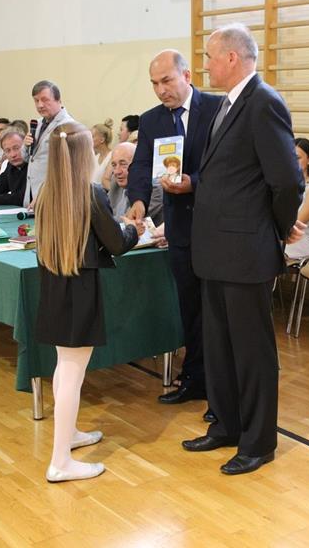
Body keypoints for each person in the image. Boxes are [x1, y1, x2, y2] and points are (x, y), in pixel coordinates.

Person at [182, 23, 305, 475]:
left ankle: (258, 442)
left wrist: (279, 227)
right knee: (219, 347)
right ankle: (227, 425)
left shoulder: (263, 102)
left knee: (252, 352)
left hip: (245, 251)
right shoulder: (227, 103)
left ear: (232, 57)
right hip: (215, 249)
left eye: (210, 56)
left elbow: (286, 180)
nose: (205, 65)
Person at [34, 122, 140, 483]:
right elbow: (116, 243)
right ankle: (60, 461)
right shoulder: (90, 193)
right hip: (79, 290)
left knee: (65, 366)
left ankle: (69, 435)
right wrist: (134, 230)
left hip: (54, 285)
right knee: (72, 371)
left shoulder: (47, 191)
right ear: (84, 155)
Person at [127, 49, 221, 406]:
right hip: (179, 228)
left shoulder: (217, 109)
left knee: (216, 312)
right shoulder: (151, 120)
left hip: (215, 226)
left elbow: (225, 167)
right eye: (154, 83)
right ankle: (195, 379)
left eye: (166, 80)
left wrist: (193, 183)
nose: (160, 89)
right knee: (190, 308)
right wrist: (137, 199)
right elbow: (140, 165)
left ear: (187, 76)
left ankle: (220, 388)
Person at [23, 80, 74, 207]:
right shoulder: (38, 123)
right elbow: (28, 159)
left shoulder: (68, 125)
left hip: (53, 195)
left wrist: (44, 194)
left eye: (45, 100)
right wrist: (25, 146)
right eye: (36, 101)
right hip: (32, 192)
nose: (40, 105)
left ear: (58, 100)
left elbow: (66, 168)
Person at [108, 142, 163, 226]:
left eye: (123, 164)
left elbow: (128, 223)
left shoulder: (154, 188)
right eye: (114, 165)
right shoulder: (115, 183)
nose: (117, 171)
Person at [0, 127, 28, 206]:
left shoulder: (34, 166)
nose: (13, 155)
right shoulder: (11, 166)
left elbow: (23, 198)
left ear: (26, 146)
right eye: (7, 150)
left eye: (16, 148)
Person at [91, 118, 114, 190]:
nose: (89, 139)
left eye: (92, 136)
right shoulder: (95, 157)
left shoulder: (112, 156)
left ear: (102, 139)